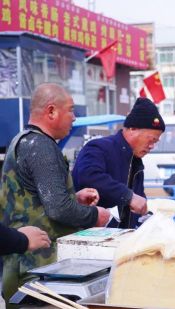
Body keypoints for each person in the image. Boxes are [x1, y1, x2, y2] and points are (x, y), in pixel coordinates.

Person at [0, 83, 110, 306]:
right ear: (51, 111)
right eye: (70, 110)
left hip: (25, 267)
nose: (74, 118)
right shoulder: (39, 146)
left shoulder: (23, 140)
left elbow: (38, 199)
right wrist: (94, 215)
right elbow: (58, 208)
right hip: (38, 273)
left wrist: (73, 197)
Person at [72, 98, 165, 229]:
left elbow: (139, 203)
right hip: (92, 236)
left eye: (155, 142)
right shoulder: (99, 147)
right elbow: (89, 175)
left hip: (121, 238)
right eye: (151, 140)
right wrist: (128, 196)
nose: (152, 146)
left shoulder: (136, 162)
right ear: (132, 128)